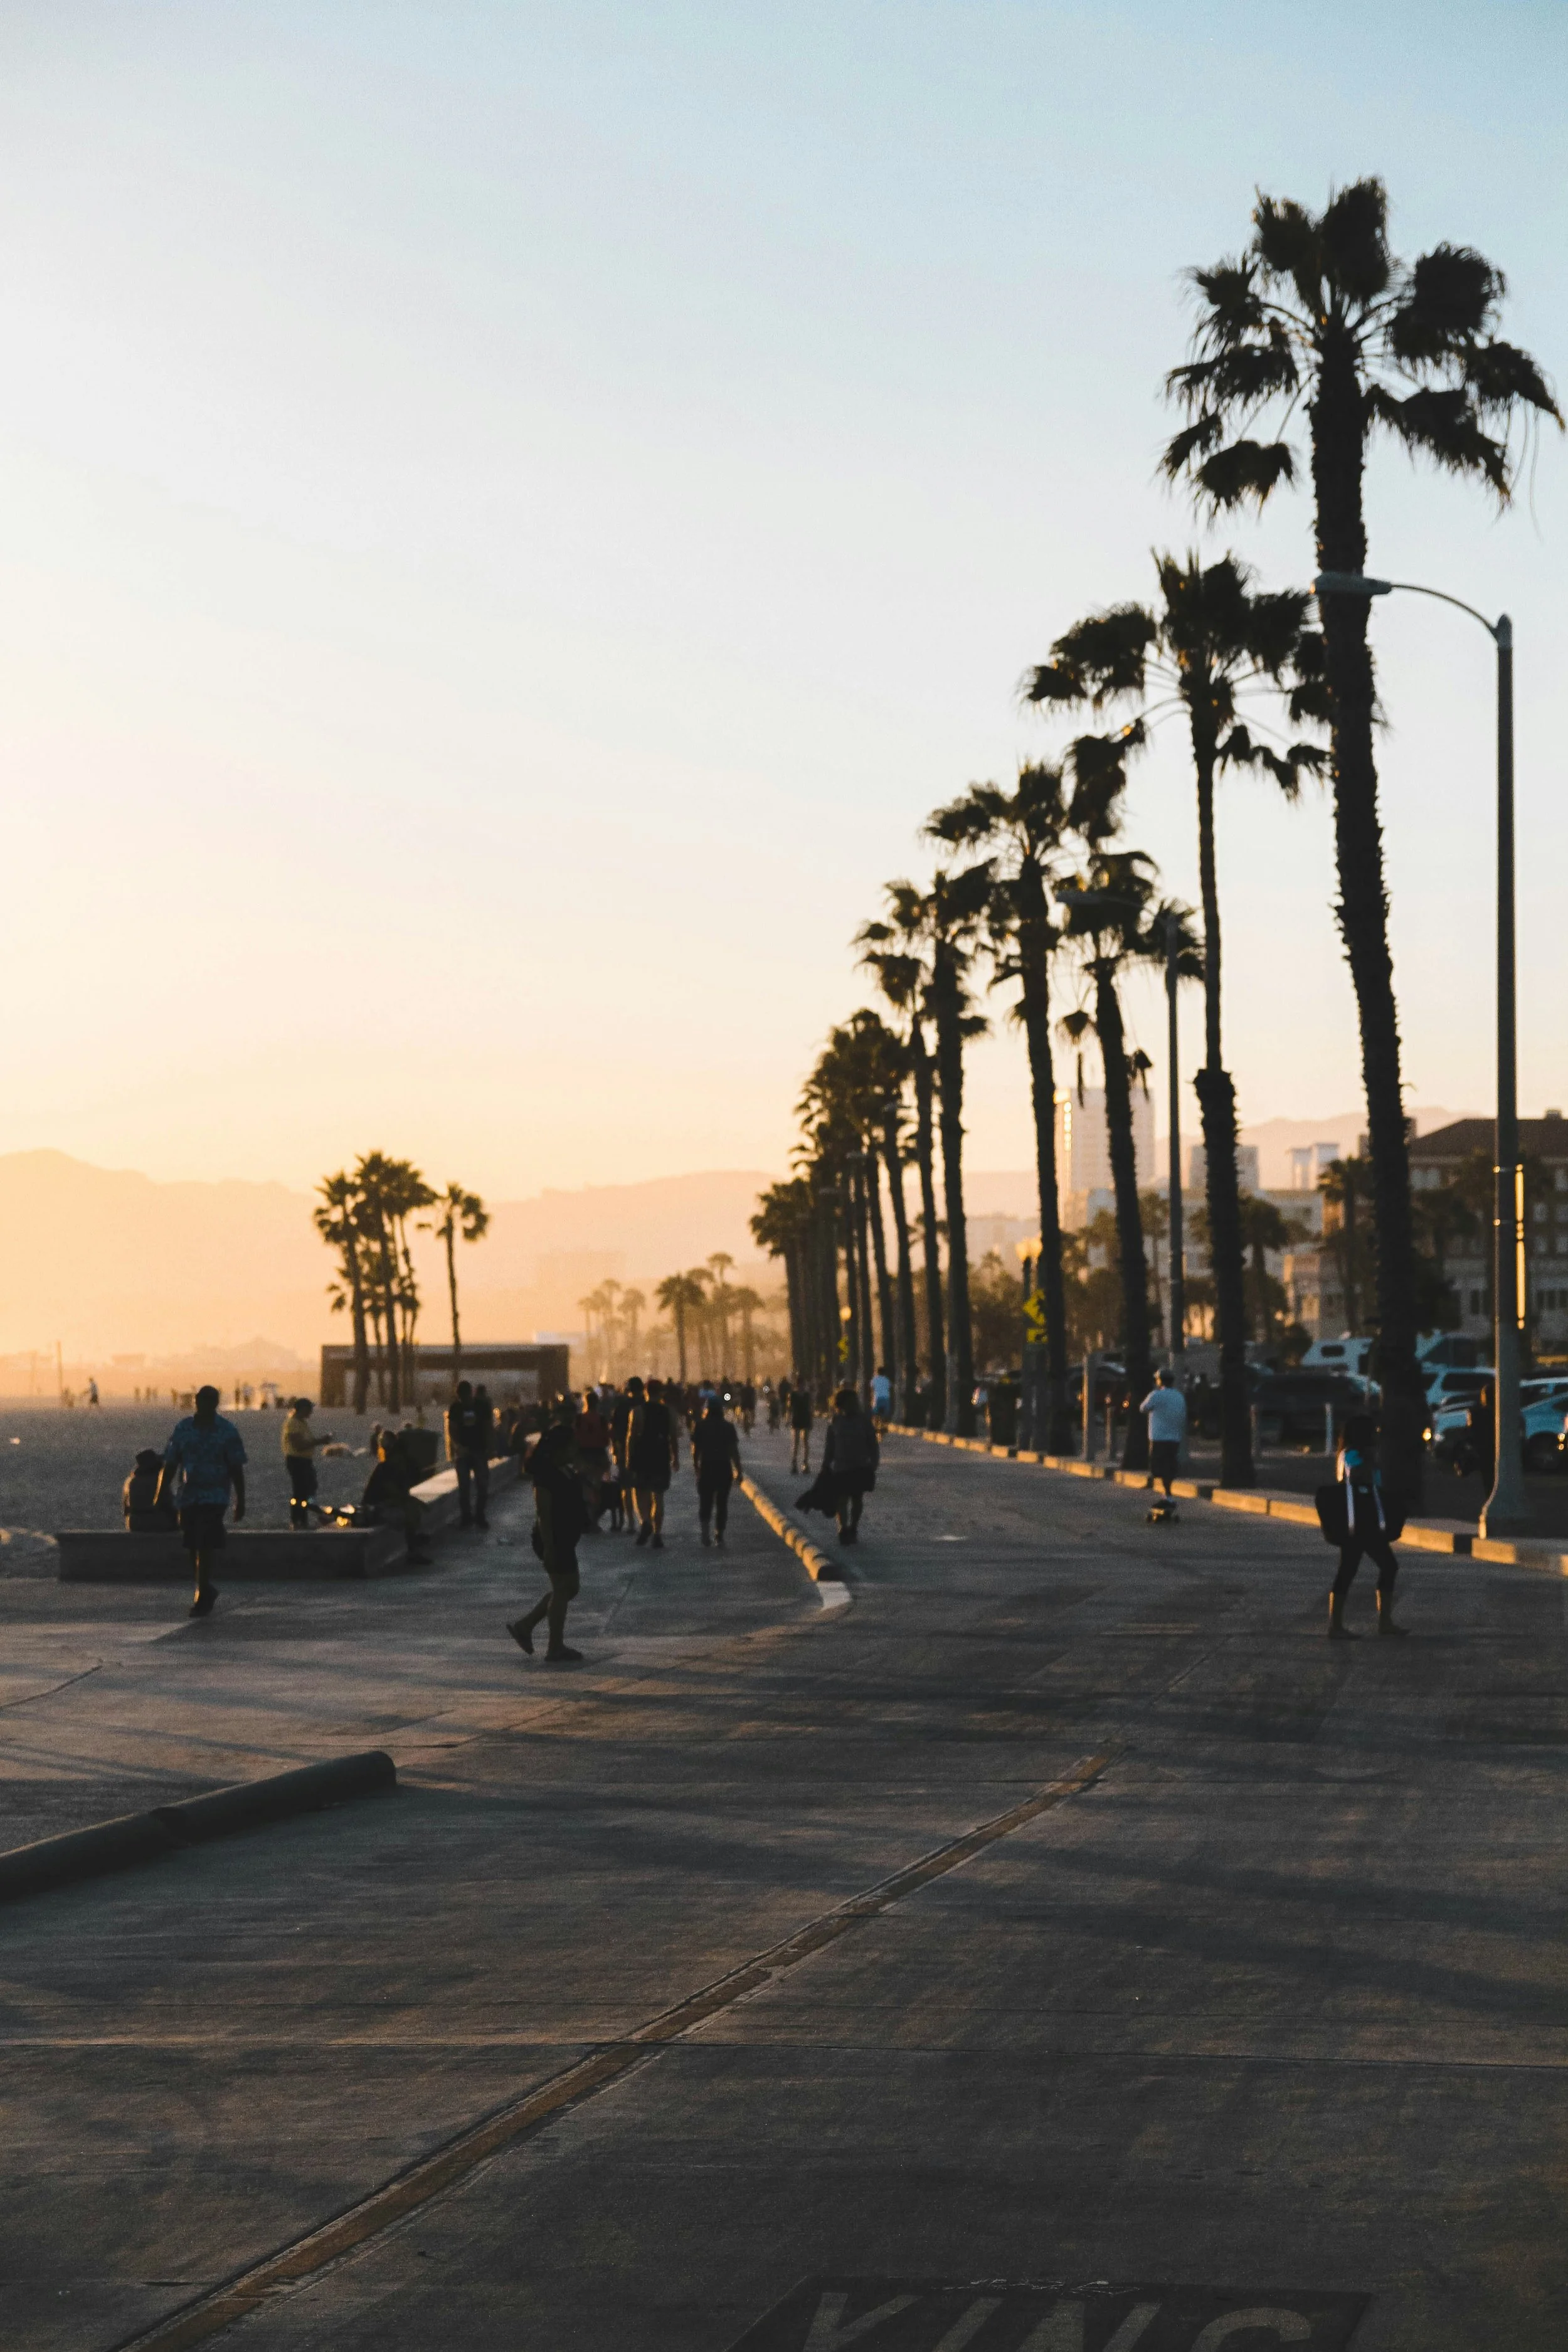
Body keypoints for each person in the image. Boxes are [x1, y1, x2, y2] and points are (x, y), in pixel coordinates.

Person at [156, 1385, 247, 1617]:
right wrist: (160, 1493)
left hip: (215, 1496)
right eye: (201, 1401)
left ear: (216, 1403)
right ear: (196, 1401)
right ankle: (205, 1587)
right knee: (192, 1545)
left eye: (210, 1401)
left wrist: (240, 1500)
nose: (205, 1405)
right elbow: (171, 1463)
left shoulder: (227, 1431)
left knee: (205, 1544)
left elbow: (236, 1468)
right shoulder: (184, 1428)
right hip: (188, 1496)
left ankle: (201, 1593)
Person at [509, 1421, 586, 1662]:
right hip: (553, 1539)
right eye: (571, 1446)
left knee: (568, 1588)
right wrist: (550, 1548)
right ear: (559, 1449)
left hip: (565, 1538)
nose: (575, 1450)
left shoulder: (566, 1469)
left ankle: (525, 1626)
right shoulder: (545, 1477)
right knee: (563, 1590)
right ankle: (555, 1647)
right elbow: (544, 1514)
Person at [1329, 1412, 1405, 1640]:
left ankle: (1383, 1621)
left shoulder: (1361, 1454)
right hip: (1359, 1521)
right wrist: (1372, 1462)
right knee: (1368, 1567)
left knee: (1364, 1568)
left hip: (1366, 1519)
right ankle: (1340, 1625)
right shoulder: (1351, 1455)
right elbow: (1355, 1477)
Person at [360, 1426, 433, 1565]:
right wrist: (412, 1502)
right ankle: (413, 1549)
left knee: (412, 1510)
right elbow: (395, 1495)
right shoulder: (385, 1469)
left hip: (388, 1504)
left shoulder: (402, 1468)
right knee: (406, 1514)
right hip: (375, 1508)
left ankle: (414, 1546)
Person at [822, 1385, 878, 1545]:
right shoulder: (835, 1422)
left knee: (857, 1499)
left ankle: (853, 1526)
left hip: (860, 1466)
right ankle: (843, 1527)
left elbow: (873, 1444)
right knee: (841, 1499)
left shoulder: (864, 1421)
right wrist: (826, 1466)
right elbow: (830, 1447)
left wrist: (874, 1463)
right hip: (841, 1467)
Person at [627, 1375, 677, 1548]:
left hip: (642, 1457)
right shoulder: (669, 1412)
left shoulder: (637, 1412)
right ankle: (657, 1533)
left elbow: (631, 1438)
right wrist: (675, 1457)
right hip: (661, 1457)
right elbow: (673, 1437)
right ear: (661, 1392)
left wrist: (629, 1458)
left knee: (640, 1492)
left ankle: (645, 1521)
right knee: (658, 1496)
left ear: (646, 1392)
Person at [691, 1395, 742, 1546]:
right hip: (724, 1468)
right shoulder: (728, 1427)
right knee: (722, 1503)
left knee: (705, 1502)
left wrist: (696, 1467)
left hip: (706, 1467)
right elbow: (734, 1451)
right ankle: (719, 1534)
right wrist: (739, 1471)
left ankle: (705, 1533)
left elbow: (695, 1450)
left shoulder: (700, 1426)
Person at [446, 1379, 494, 1528]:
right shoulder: (455, 1408)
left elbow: (488, 1427)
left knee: (482, 1485)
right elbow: (452, 1429)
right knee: (464, 1488)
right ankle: (467, 1517)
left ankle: (479, 1515)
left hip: (479, 1450)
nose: (465, 1401)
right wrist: (458, 1446)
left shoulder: (482, 1406)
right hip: (463, 1453)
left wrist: (490, 1447)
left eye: (466, 1397)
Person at [280, 1397, 334, 1530]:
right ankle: (298, 1520)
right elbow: (299, 1445)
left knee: (309, 1489)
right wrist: (320, 1441)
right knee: (300, 1492)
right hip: (297, 1461)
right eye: (310, 1409)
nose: (312, 1412)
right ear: (303, 1409)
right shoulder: (293, 1423)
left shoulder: (301, 1422)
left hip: (305, 1461)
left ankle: (310, 1515)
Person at [1139, 1369, 1187, 1506]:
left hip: (1158, 1437)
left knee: (1158, 1467)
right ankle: (1167, 1493)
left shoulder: (1156, 1395)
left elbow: (1143, 1408)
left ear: (1159, 1381)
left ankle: (1167, 1494)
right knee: (1170, 1465)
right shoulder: (1179, 1396)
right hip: (1174, 1437)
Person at [122, 1448, 176, 1533]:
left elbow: (126, 1509)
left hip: (134, 1523)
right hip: (156, 1521)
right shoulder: (158, 1482)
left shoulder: (131, 1482)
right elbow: (168, 1503)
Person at [789, 1378, 815, 1472]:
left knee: (805, 1442)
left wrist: (811, 1420)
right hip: (796, 1419)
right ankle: (794, 1463)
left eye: (803, 1385)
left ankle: (805, 1463)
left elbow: (811, 1408)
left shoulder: (808, 1395)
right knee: (796, 1443)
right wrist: (788, 1419)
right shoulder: (793, 1395)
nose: (802, 1387)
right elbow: (790, 1408)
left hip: (805, 1419)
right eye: (800, 1385)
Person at [871, 1364, 892, 1433]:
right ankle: (884, 1427)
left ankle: (876, 1427)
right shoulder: (887, 1380)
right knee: (885, 1414)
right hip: (886, 1398)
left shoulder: (875, 1379)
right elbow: (890, 1387)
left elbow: (872, 1387)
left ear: (878, 1372)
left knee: (876, 1414)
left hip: (877, 1398)